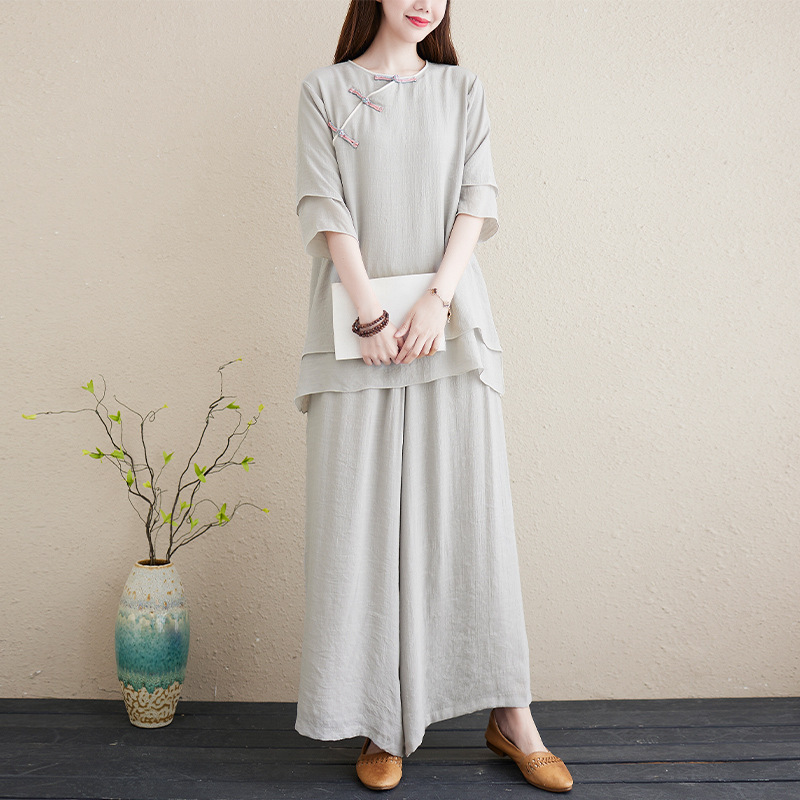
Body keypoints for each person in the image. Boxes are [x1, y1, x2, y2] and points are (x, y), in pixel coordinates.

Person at [292, 0, 573, 792]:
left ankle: (511, 716)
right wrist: (370, 312)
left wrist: (436, 302)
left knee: (472, 521)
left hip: (450, 329)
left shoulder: (463, 90)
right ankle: (381, 719)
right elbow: (324, 206)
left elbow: (476, 200)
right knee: (358, 527)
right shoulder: (325, 90)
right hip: (356, 333)